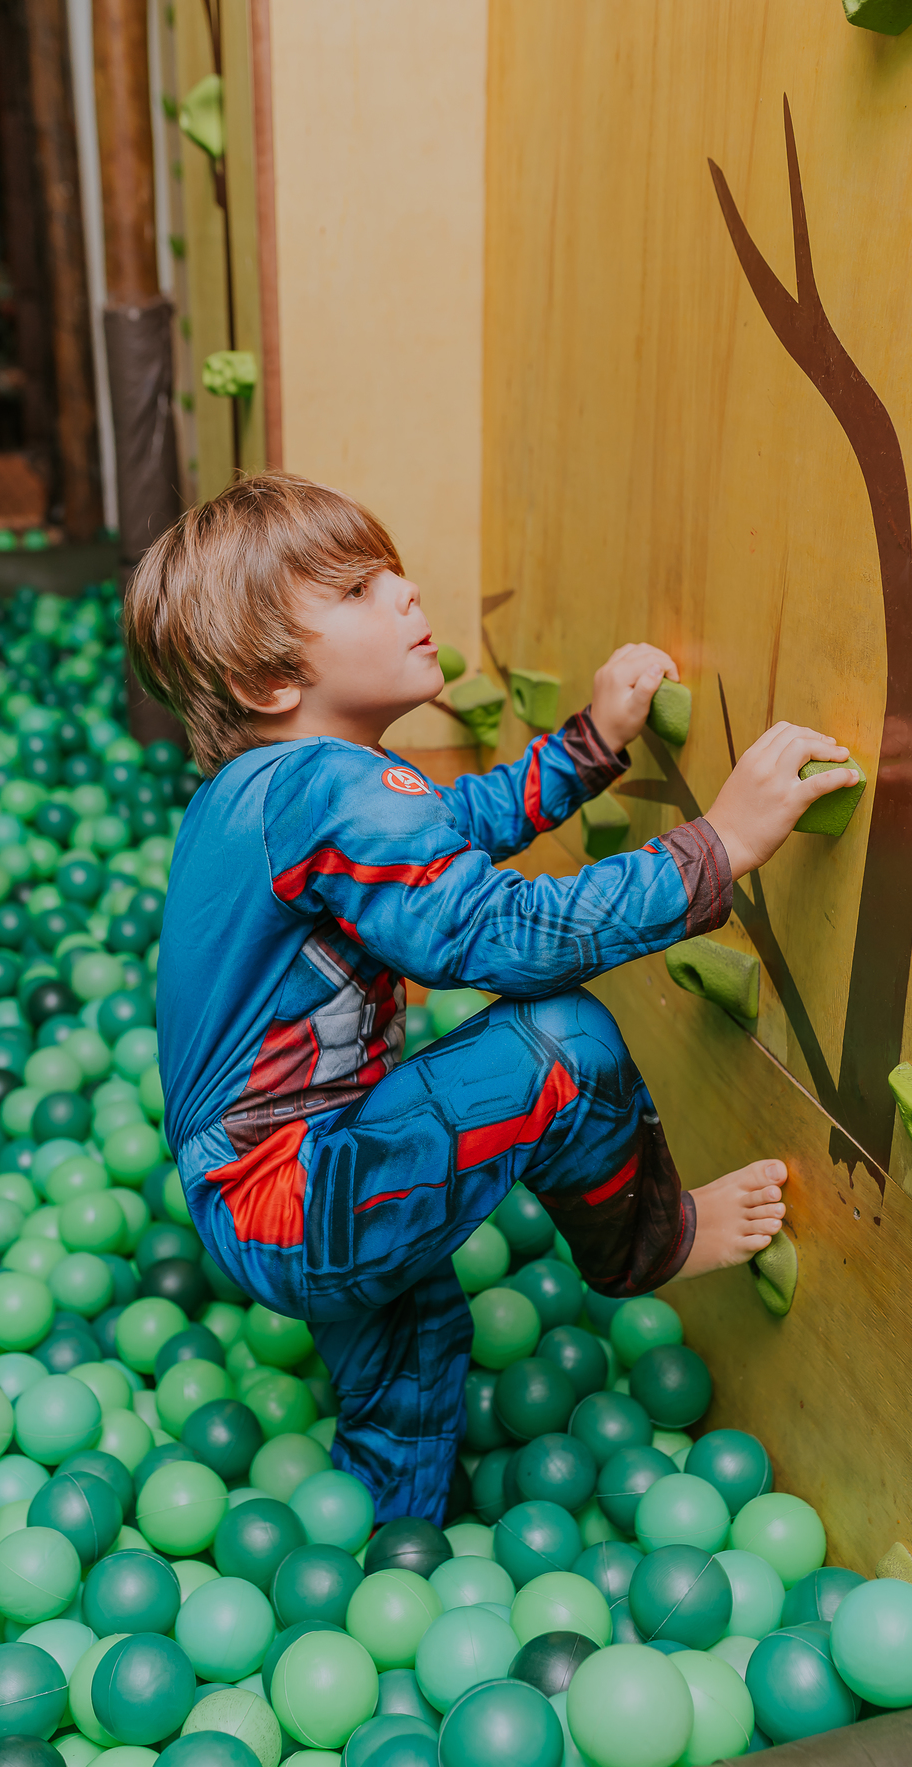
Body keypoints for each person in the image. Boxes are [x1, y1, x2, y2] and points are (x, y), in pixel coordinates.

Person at [127, 471, 858, 1523]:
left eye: (393, 573)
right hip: (293, 1190)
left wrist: (591, 747)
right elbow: (498, 938)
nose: (408, 594)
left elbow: (451, 825)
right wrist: (720, 846)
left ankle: (398, 1549)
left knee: (415, 1340)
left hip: (264, 1198)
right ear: (266, 681)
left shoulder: (263, 794)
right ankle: (651, 1240)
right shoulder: (322, 786)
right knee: (558, 1041)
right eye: (359, 590)